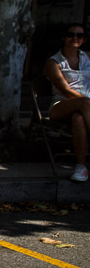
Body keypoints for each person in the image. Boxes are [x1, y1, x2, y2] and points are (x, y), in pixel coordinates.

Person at [45, 21, 90, 182]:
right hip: (61, 105)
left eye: (80, 35)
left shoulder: (88, 57)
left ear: (84, 39)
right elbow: (65, 90)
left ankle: (81, 167)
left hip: (85, 109)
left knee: (79, 118)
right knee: (85, 103)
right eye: (71, 35)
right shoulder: (54, 62)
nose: (75, 38)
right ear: (64, 37)